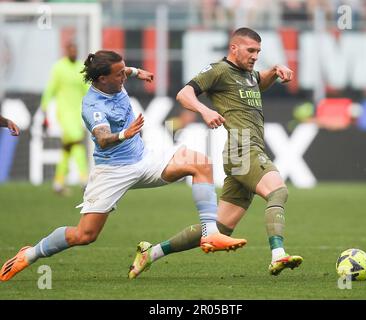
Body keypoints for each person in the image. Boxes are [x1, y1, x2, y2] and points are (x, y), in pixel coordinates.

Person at [0, 50, 247, 282]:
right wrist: (124, 134)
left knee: (200, 164)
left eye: (123, 72)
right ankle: (29, 254)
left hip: (144, 159)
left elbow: (125, 70)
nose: (123, 76)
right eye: (118, 74)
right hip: (112, 171)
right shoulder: (93, 106)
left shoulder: (115, 76)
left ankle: (210, 233)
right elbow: (104, 140)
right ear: (102, 79)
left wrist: (139, 72)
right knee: (84, 235)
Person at [129, 27, 303, 279]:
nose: (255, 56)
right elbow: (184, 94)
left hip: (247, 150)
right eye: (250, 50)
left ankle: (151, 252)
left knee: (219, 228)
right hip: (243, 147)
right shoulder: (218, 71)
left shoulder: (248, 75)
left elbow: (257, 83)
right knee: (278, 190)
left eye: (258, 52)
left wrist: (275, 71)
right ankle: (278, 255)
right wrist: (205, 111)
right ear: (234, 48)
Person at [40, 42, 89, 195]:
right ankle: (84, 179)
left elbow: (87, 90)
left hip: (77, 114)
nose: (73, 52)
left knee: (67, 149)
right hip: (64, 113)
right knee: (78, 143)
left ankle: (58, 183)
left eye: (75, 50)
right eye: (70, 50)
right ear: (66, 51)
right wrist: (44, 108)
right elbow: (51, 89)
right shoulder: (59, 67)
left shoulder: (81, 68)